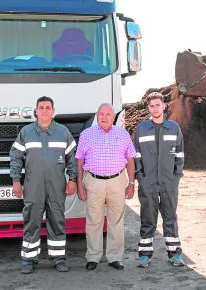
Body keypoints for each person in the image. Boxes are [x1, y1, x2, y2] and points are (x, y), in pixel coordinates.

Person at [10, 96, 77, 274]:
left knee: (57, 221)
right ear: (36, 111)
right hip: (33, 186)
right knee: (32, 222)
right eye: (41, 107)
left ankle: (59, 258)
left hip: (57, 186)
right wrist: (16, 181)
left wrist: (73, 180)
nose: (45, 110)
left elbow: (73, 159)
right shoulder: (26, 132)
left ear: (53, 111)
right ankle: (28, 260)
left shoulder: (63, 132)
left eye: (48, 107)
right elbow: (16, 157)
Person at [75, 103, 136, 271]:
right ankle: (93, 257)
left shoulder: (122, 134)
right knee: (94, 220)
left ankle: (115, 257)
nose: (104, 117)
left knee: (116, 221)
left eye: (108, 114)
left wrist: (131, 183)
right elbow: (79, 160)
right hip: (93, 182)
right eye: (101, 114)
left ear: (113, 116)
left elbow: (130, 159)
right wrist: (79, 183)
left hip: (117, 181)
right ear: (97, 115)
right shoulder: (87, 134)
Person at [134, 91, 185, 268]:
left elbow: (180, 155)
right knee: (148, 218)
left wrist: (175, 177)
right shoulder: (141, 129)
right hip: (148, 182)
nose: (155, 108)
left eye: (158, 105)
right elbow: (136, 156)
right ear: (148, 108)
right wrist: (141, 177)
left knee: (170, 217)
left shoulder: (174, 128)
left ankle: (174, 254)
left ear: (164, 106)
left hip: (168, 182)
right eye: (151, 105)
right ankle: (145, 254)